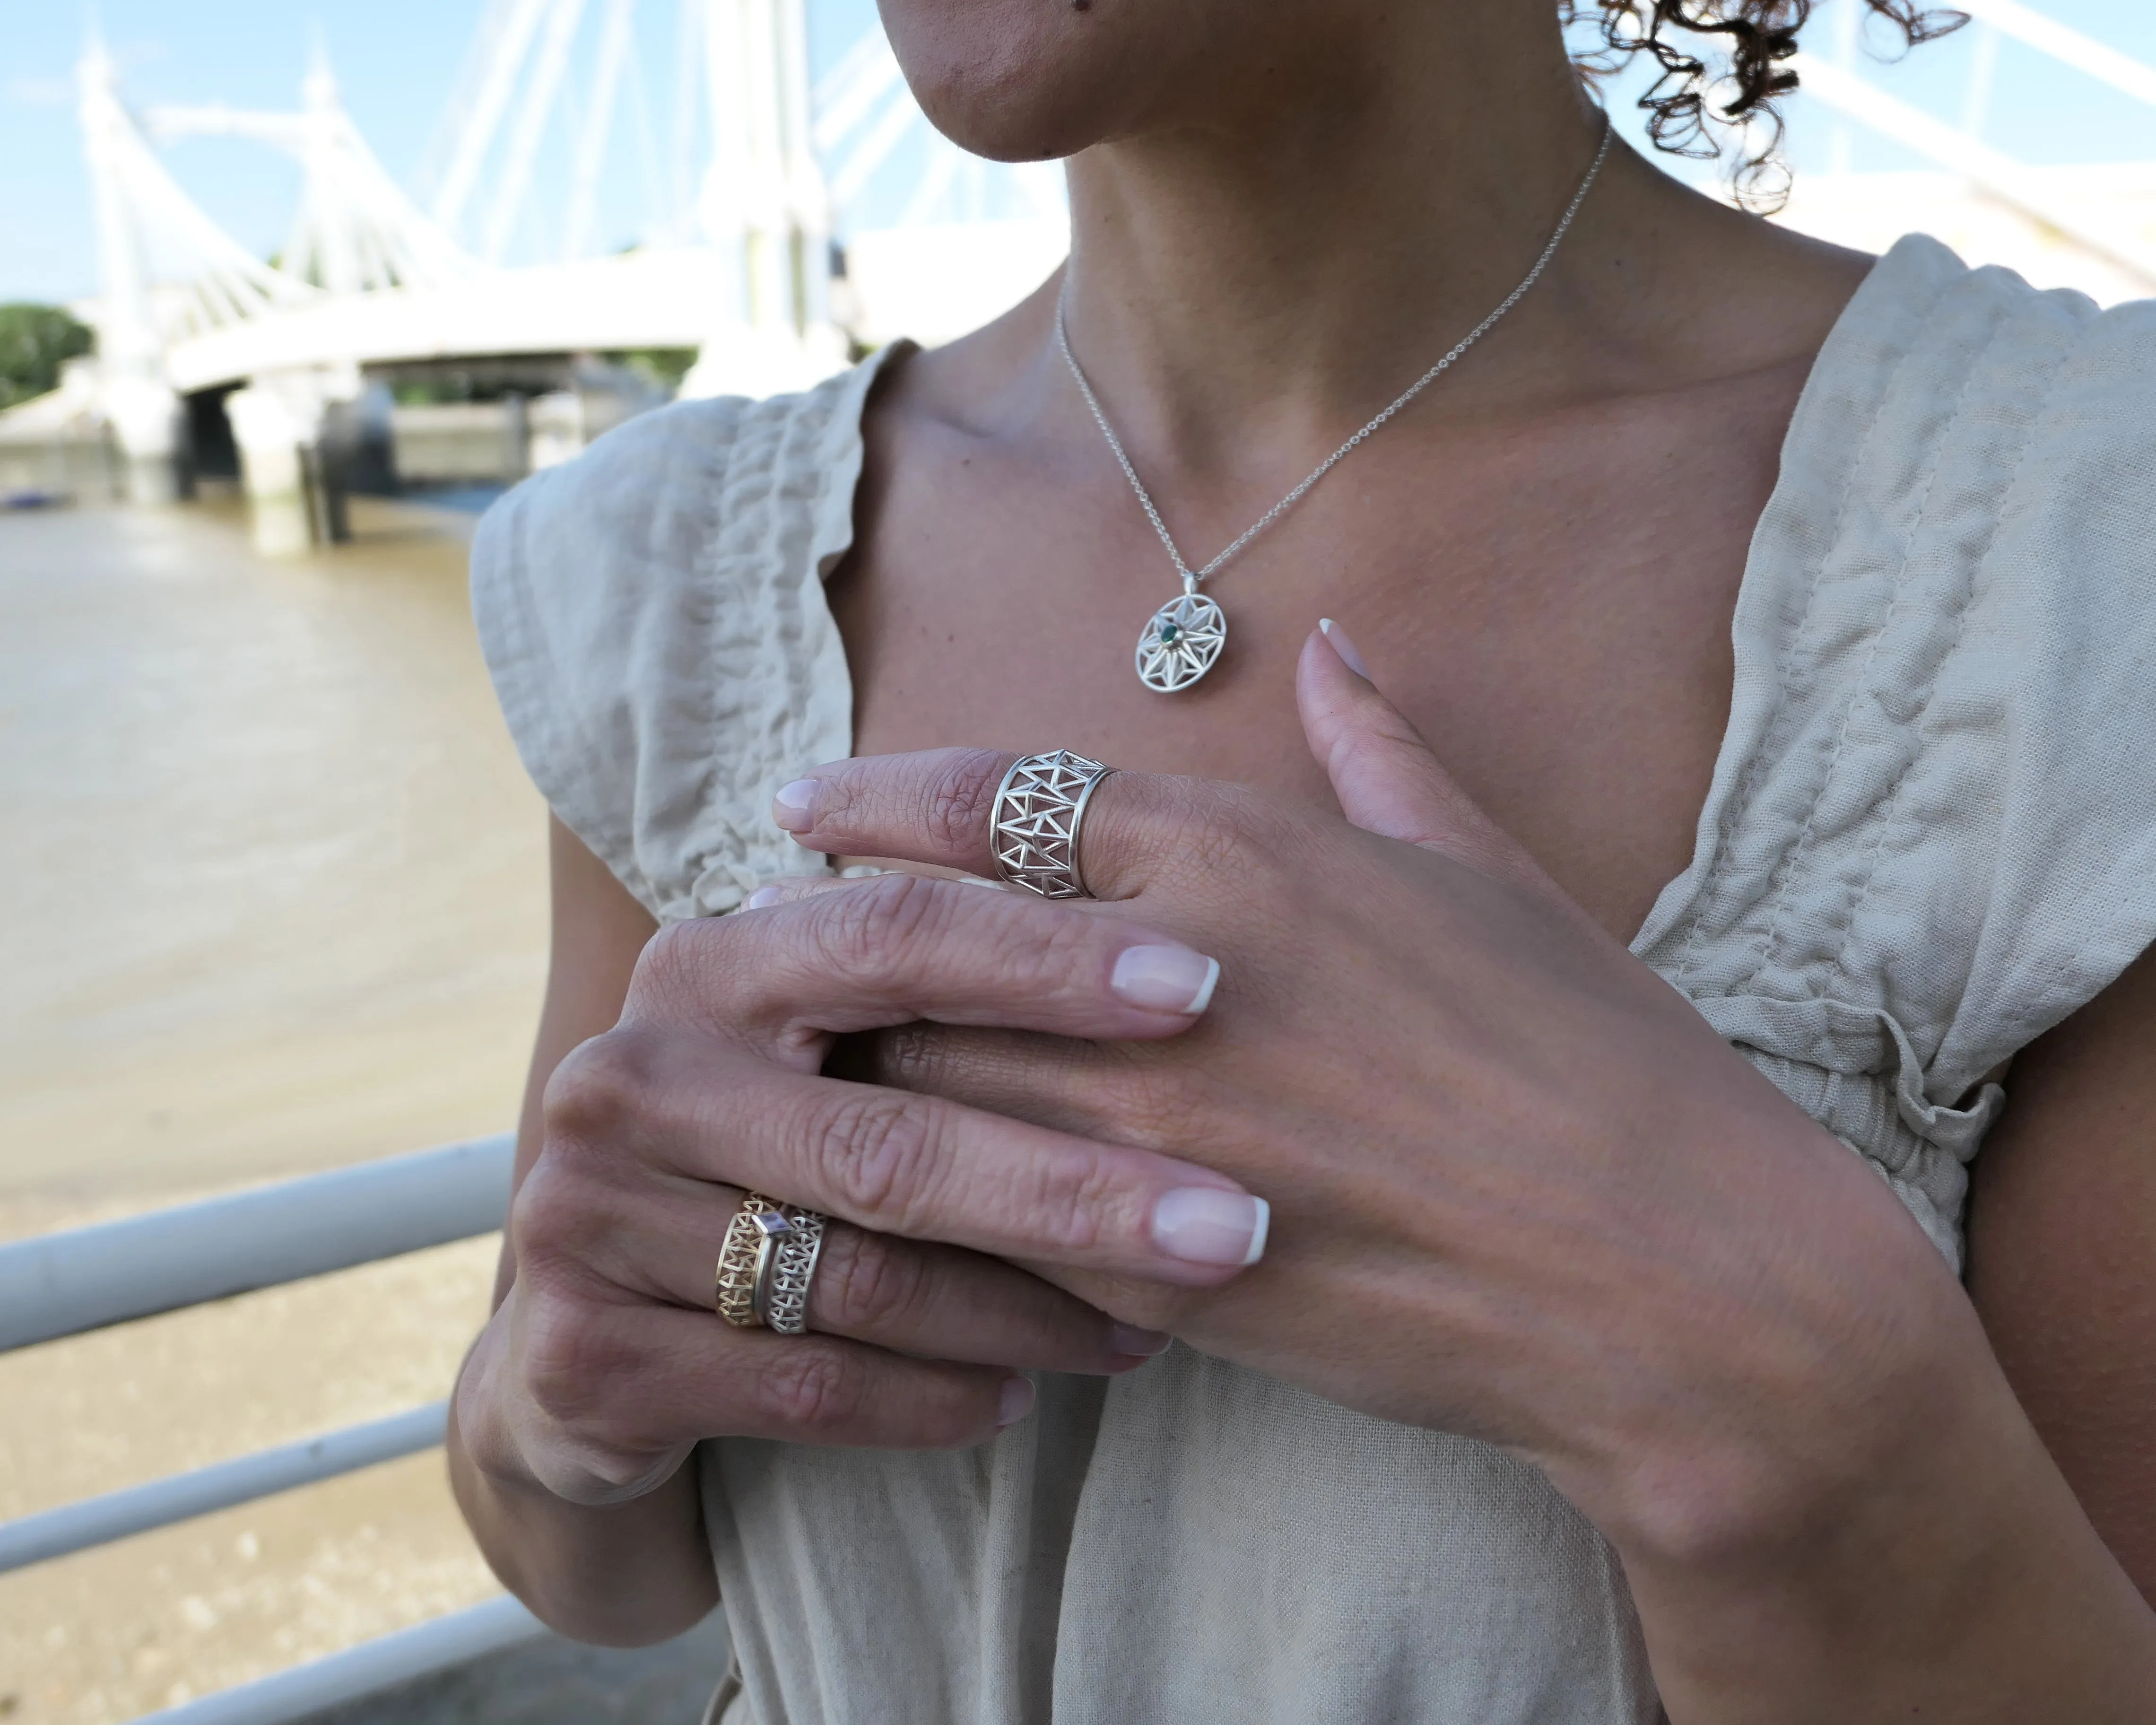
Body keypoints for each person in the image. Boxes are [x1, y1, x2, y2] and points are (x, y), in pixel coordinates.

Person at [450, 0, 2156, 1716]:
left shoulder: (2091, 563)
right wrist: (542, 1408)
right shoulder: (661, 576)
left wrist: (1774, 1404)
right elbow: (596, 1566)